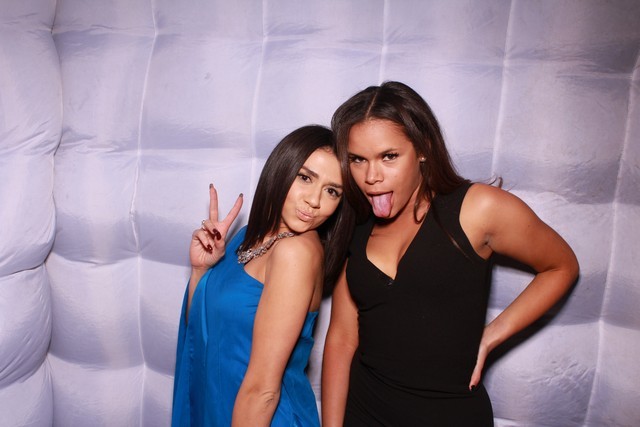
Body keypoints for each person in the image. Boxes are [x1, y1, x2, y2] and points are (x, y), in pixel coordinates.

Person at [321, 81, 580, 426]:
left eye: (389, 156)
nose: (371, 176)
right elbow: (341, 339)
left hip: (450, 412)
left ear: (423, 148)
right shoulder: (355, 222)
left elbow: (562, 266)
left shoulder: (478, 208)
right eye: (358, 159)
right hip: (365, 410)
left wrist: (491, 335)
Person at [171, 125, 354, 427]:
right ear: (282, 169)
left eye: (332, 191)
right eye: (305, 178)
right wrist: (202, 270)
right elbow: (203, 334)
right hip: (218, 406)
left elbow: (263, 391)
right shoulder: (246, 236)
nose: (314, 200)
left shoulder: (297, 252)